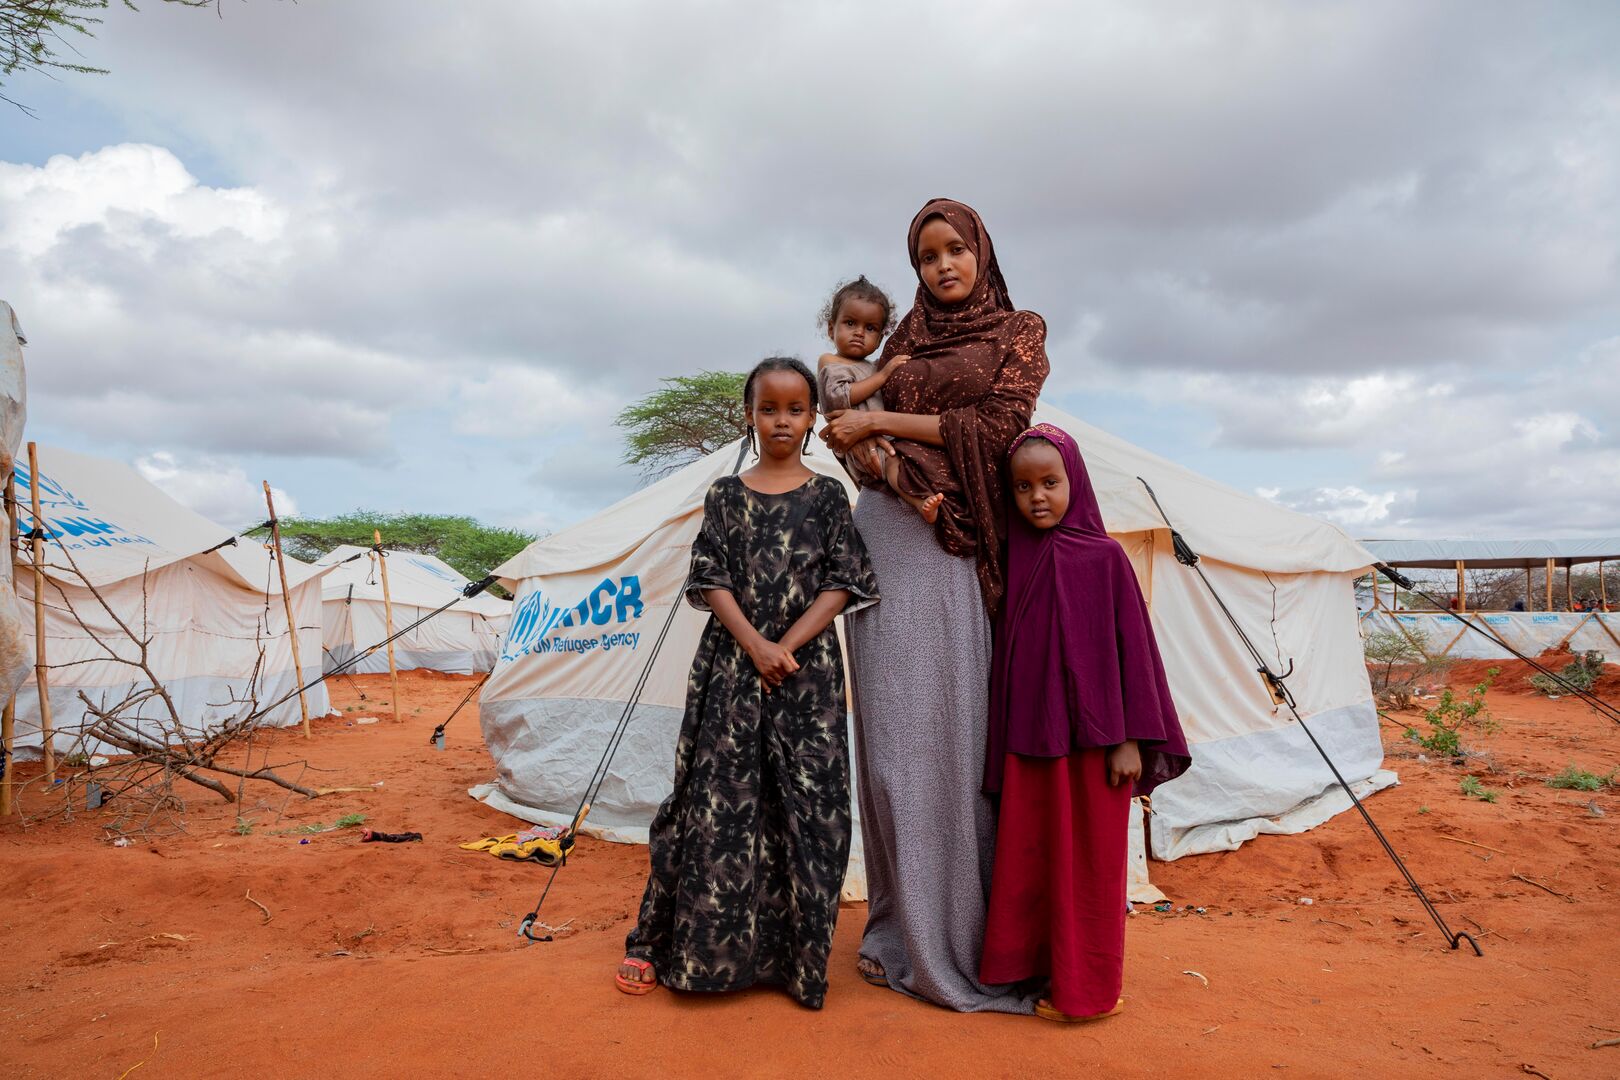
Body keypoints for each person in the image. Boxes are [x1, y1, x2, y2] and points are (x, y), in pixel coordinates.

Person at [821, 197, 1049, 1013]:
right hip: (885, 532)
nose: (943, 266)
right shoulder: (902, 338)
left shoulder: (1019, 332)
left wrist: (883, 420)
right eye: (926, 256)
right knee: (887, 747)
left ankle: (963, 934)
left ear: (981, 251)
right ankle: (897, 929)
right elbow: (845, 433)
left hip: (953, 544)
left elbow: (999, 430)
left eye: (955, 249)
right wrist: (876, 447)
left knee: (949, 744)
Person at [616, 357, 879, 1009]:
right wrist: (757, 645)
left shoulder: (828, 497)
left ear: (814, 418)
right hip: (733, 670)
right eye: (769, 408)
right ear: (749, 415)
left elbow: (842, 582)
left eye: (796, 409)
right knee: (718, 804)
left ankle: (792, 962)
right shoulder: (726, 496)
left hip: (808, 676)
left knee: (809, 810)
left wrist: (784, 646)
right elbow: (709, 578)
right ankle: (694, 951)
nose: (782, 420)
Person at [978, 424, 1191, 1023]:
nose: (1036, 497)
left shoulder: (1105, 558)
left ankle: (1088, 990)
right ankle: (1037, 976)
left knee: (1092, 869)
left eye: (1050, 482)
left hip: (1098, 747)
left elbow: (1135, 653)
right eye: (1022, 487)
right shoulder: (1011, 559)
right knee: (1031, 861)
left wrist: (1130, 740)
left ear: (1077, 481)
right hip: (1030, 742)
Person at [815, 276, 945, 523]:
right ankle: (919, 501)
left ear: (880, 339)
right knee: (895, 463)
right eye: (850, 323)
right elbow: (839, 398)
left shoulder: (870, 366)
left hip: (880, 438)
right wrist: (884, 375)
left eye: (870, 328)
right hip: (863, 447)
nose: (859, 333)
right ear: (831, 328)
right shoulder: (831, 363)